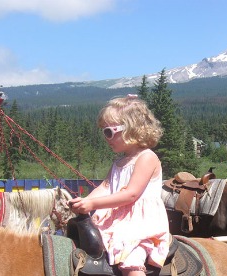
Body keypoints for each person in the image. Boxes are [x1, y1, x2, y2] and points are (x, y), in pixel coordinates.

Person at [69, 95, 169, 276]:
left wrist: (92, 205)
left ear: (131, 129)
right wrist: (85, 202)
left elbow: (131, 194)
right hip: (118, 220)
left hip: (140, 224)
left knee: (131, 260)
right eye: (104, 131)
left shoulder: (147, 157)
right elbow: (106, 187)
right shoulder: (118, 163)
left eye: (109, 132)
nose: (106, 137)